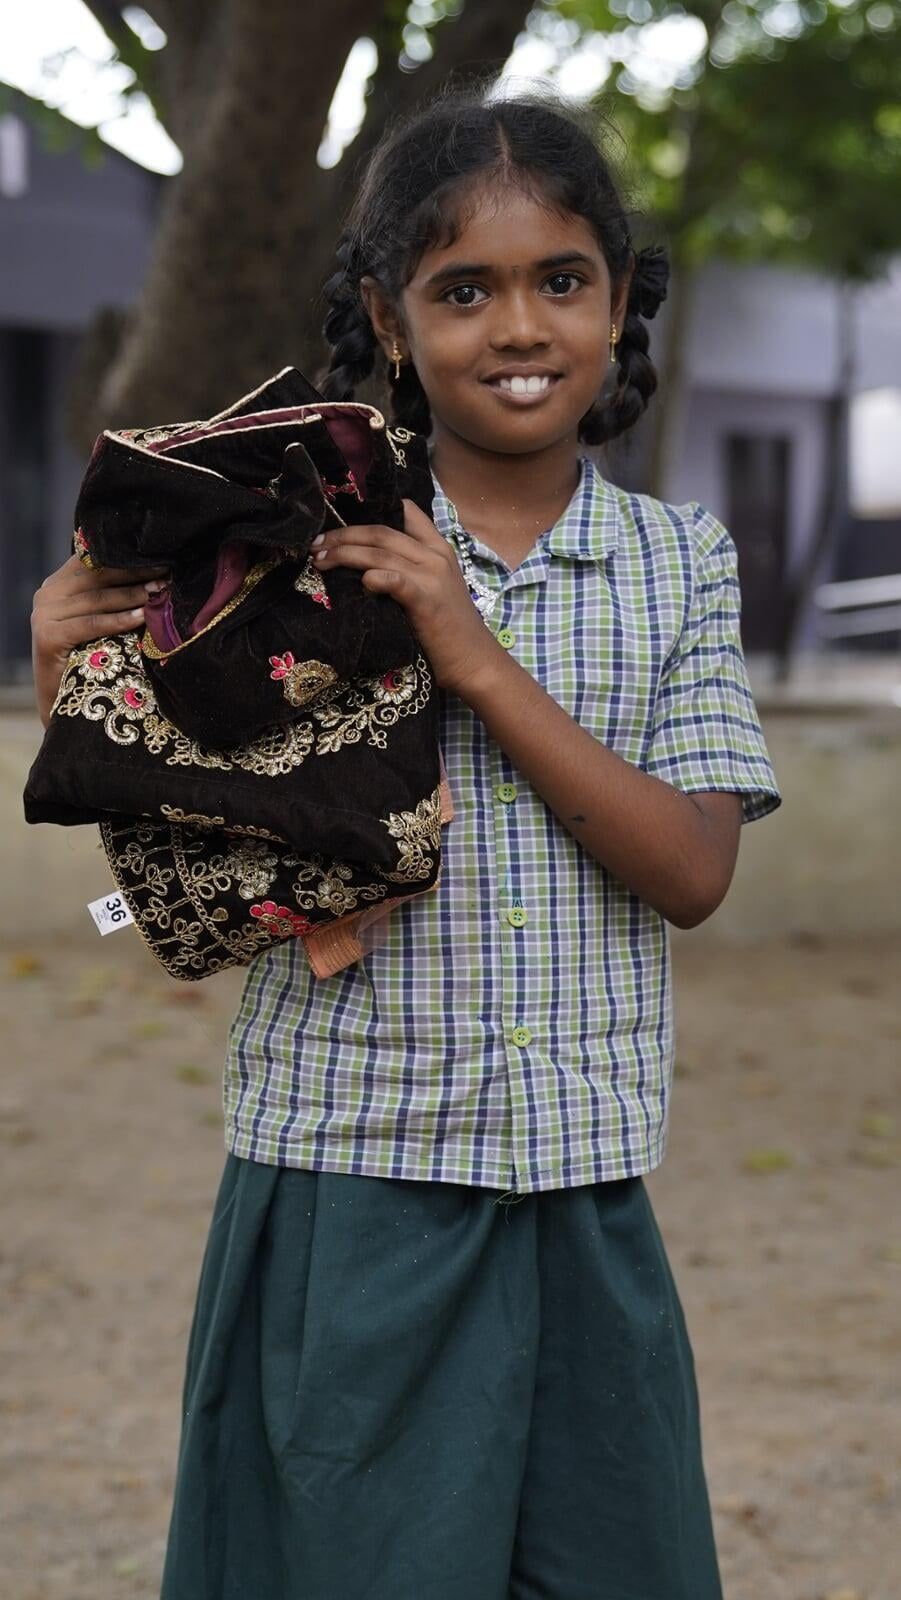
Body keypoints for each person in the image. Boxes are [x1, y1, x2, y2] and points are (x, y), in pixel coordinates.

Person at [31, 81, 781, 1600]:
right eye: (463, 290)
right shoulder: (282, 545)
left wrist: (474, 656)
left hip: (580, 1193)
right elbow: (205, 888)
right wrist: (76, 679)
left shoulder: (676, 564)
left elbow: (692, 875)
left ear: (619, 299)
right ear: (387, 315)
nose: (518, 327)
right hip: (348, 1190)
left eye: (560, 281)